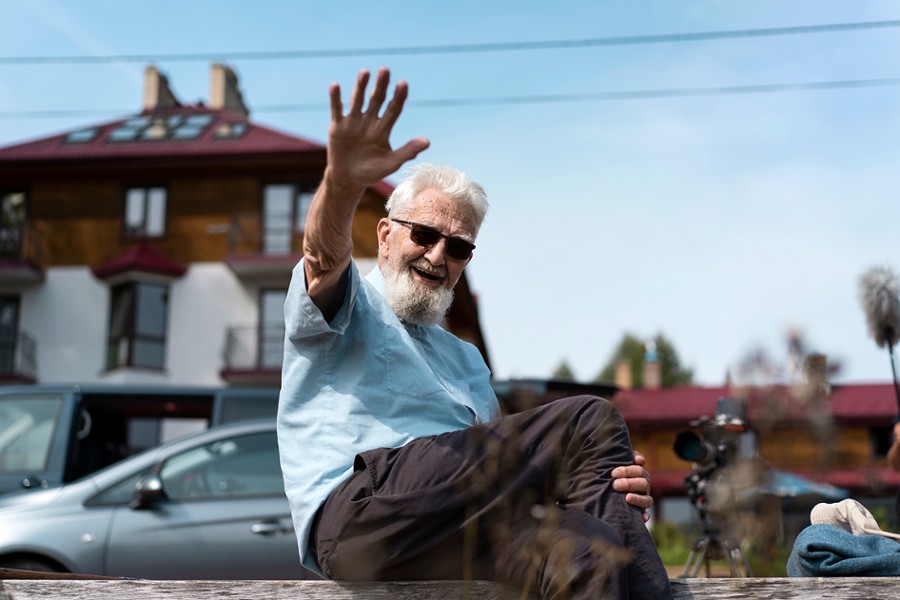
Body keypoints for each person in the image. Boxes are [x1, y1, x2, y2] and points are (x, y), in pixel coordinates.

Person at [277, 67, 672, 599]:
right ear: (386, 235)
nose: (439, 255)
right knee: (590, 419)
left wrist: (604, 486)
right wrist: (342, 184)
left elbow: (502, 477)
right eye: (424, 234)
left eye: (459, 247)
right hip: (361, 517)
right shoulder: (351, 303)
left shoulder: (467, 362)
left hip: (454, 534)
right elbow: (322, 257)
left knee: (589, 551)